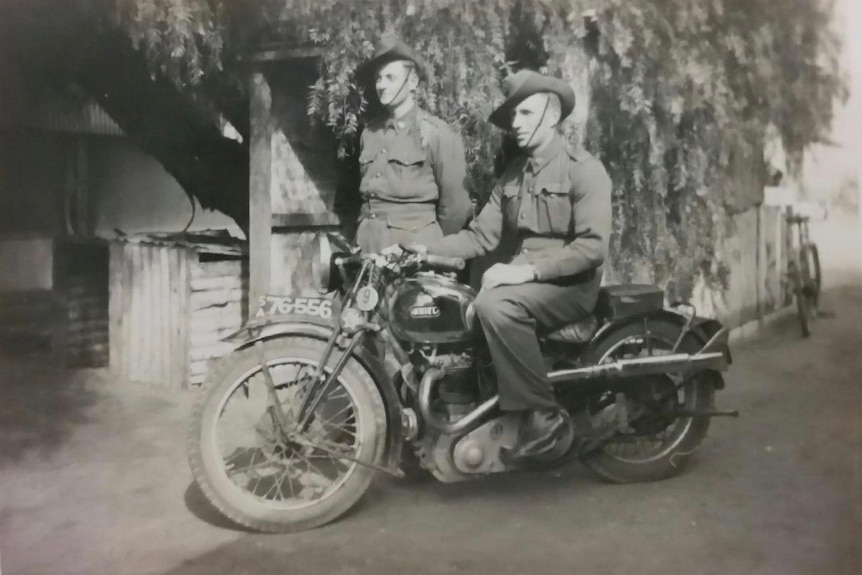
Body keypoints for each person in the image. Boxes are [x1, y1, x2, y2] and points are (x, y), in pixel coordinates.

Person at [395, 70, 612, 464]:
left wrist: (522, 272)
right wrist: (417, 250)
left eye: (525, 113)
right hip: (525, 286)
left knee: (495, 306)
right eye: (513, 115)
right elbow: (479, 236)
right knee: (455, 309)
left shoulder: (584, 169)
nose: (515, 123)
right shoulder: (513, 177)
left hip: (569, 288)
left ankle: (543, 417)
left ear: (551, 115)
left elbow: (592, 248)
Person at [352, 37, 472, 253]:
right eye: (378, 78)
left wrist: (432, 247)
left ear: (413, 82)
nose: (382, 85)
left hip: (413, 252)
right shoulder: (369, 134)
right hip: (367, 249)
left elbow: (457, 207)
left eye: (390, 77)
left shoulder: (437, 134)